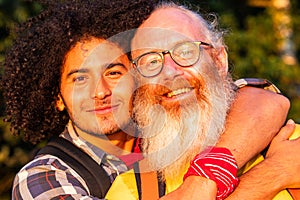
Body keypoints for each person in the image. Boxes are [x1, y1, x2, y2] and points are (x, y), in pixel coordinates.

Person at [1, 0, 294, 199]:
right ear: (57, 98)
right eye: (79, 78)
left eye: (114, 72)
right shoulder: (45, 175)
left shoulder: (169, 119)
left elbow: (256, 95)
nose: (100, 91)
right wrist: (274, 174)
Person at [107, 1, 300, 199]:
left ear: (219, 61)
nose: (170, 72)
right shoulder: (129, 191)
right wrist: (273, 174)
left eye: (186, 52)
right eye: (152, 61)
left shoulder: (292, 145)